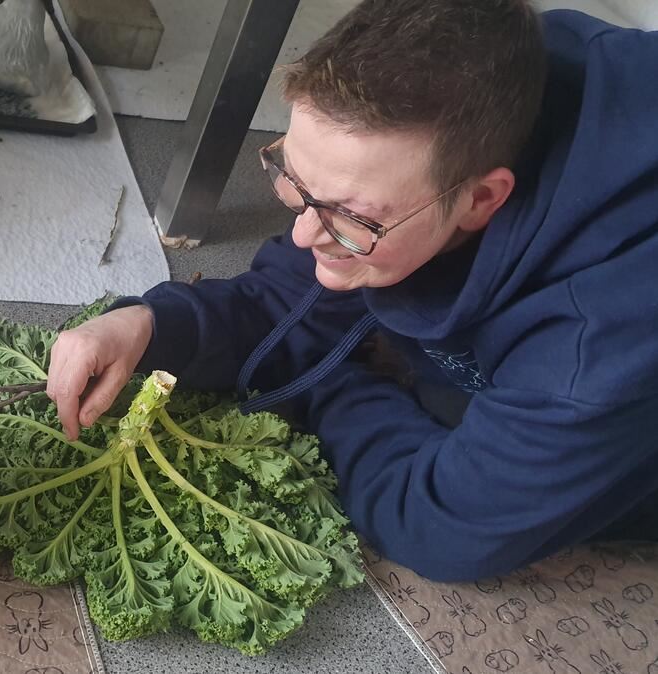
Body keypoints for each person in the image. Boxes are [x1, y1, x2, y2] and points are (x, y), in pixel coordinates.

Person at [44, 0, 658, 582]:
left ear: (482, 199)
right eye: (295, 179)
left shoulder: (596, 335)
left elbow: (442, 524)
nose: (305, 232)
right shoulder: (487, 66)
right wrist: (149, 325)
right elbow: (287, 301)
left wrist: (333, 383)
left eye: (351, 216)